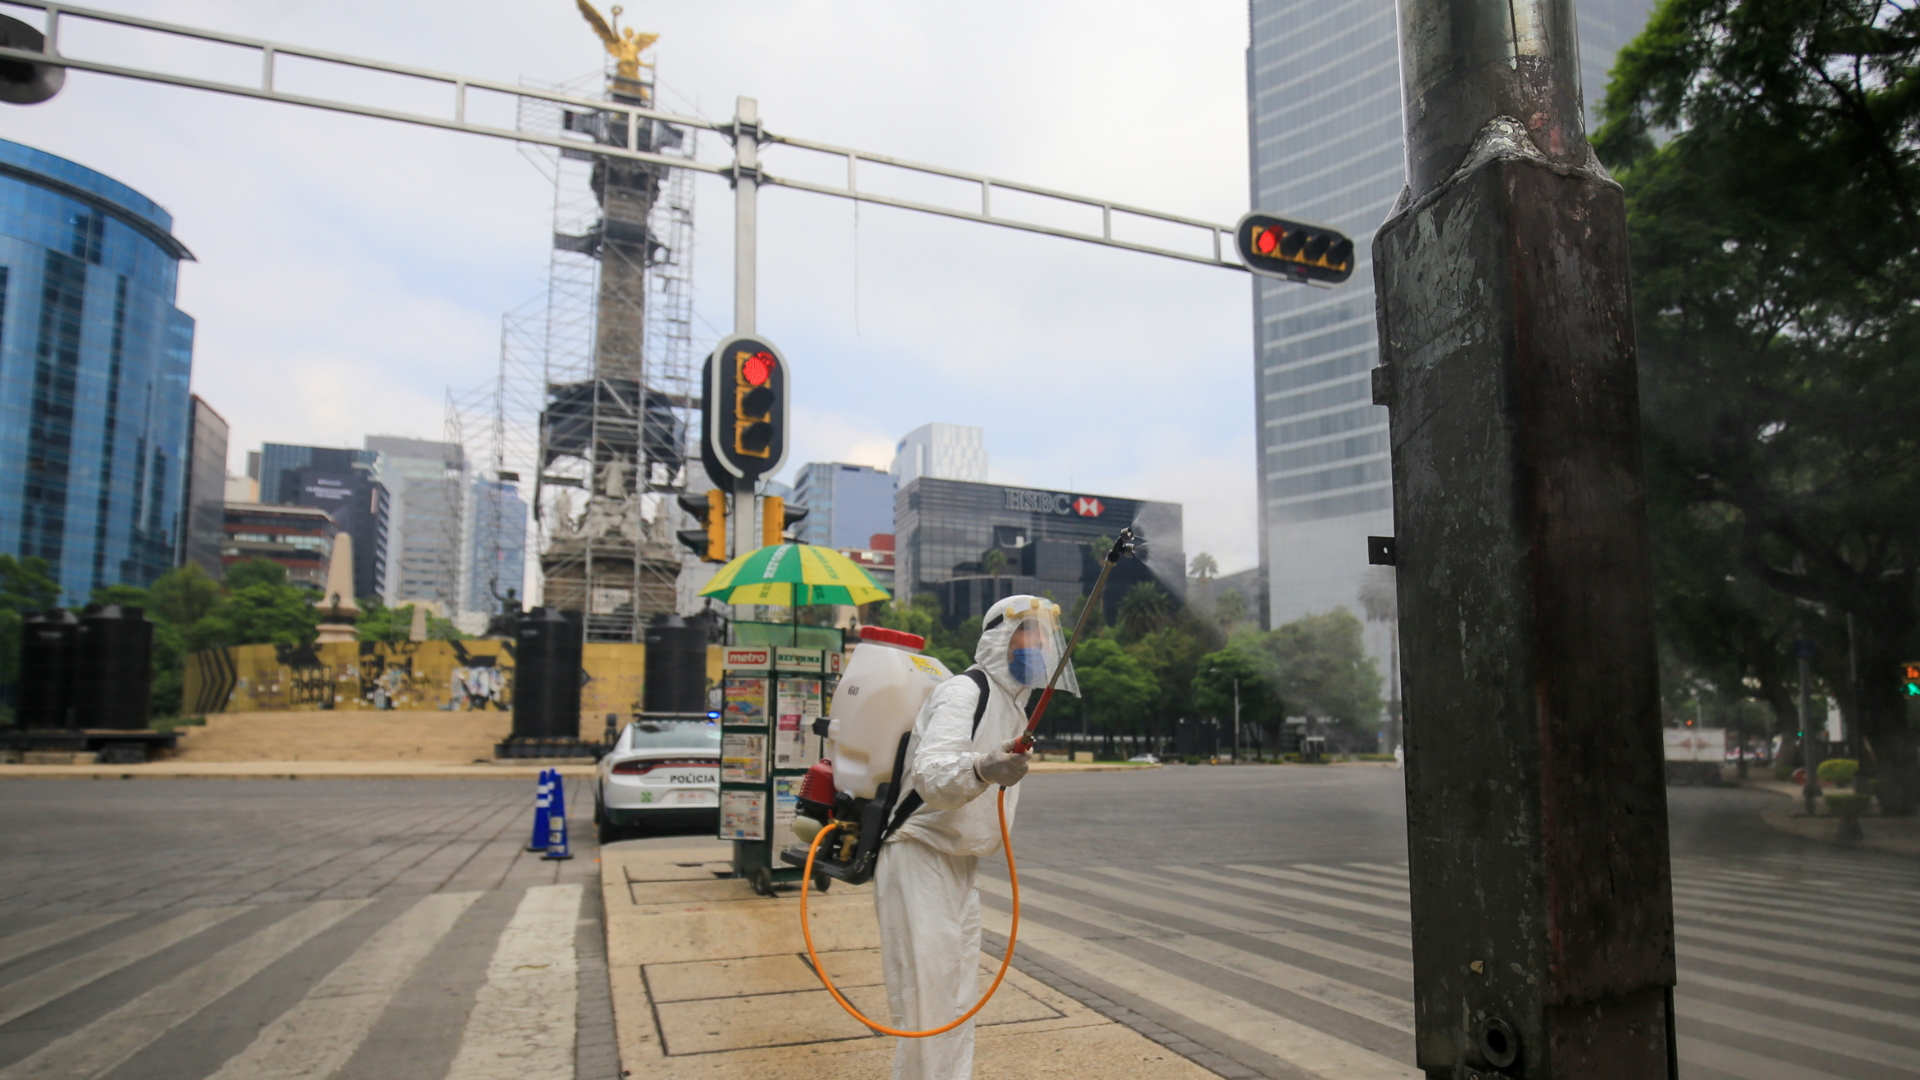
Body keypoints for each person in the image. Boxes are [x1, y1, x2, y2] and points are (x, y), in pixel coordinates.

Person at [874, 594, 1079, 1080]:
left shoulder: (1015, 707)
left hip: (959, 863)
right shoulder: (963, 693)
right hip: (919, 855)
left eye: (1046, 635)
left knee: (958, 994)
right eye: (1031, 632)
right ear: (1000, 639)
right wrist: (985, 766)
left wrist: (993, 766)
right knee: (928, 999)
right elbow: (932, 775)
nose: (1042, 645)